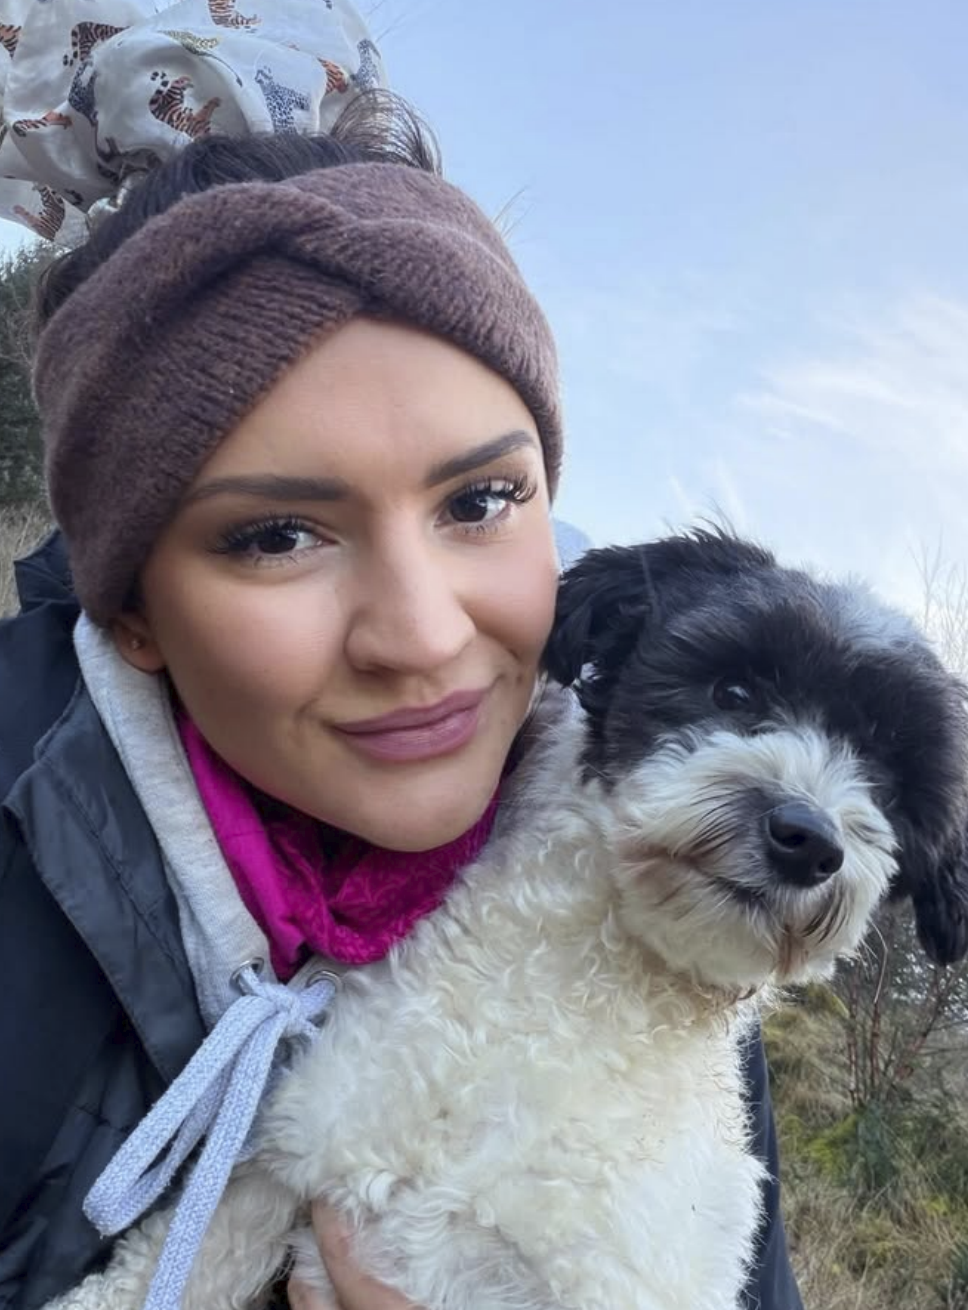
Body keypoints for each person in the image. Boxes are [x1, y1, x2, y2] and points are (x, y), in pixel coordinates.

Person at [0, 21, 804, 1310]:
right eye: (277, 535)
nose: (424, 637)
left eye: (480, 502)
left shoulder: (654, 890)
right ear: (133, 608)